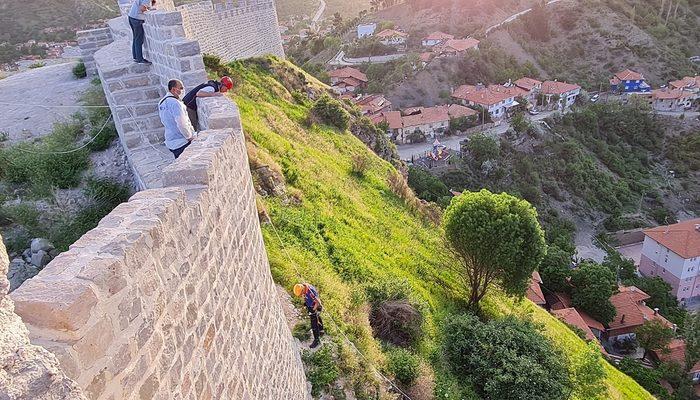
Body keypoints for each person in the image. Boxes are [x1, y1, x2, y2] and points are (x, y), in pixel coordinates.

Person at [158, 79, 195, 158]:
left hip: (171, 140)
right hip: (181, 142)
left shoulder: (161, 102)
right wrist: (189, 137)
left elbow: (163, 120)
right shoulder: (176, 103)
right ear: (174, 89)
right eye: (181, 88)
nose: (182, 90)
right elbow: (182, 123)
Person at [293, 283, 325, 348]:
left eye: (301, 293)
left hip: (315, 307)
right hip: (310, 305)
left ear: (302, 290)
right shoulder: (304, 287)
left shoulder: (311, 292)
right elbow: (305, 295)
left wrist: (313, 310)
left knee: (314, 324)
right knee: (317, 317)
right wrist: (306, 303)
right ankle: (321, 331)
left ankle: (317, 340)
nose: (301, 295)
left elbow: (318, 302)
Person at [128, 0, 155, 64]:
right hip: (137, 19)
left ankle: (135, 57)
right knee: (139, 39)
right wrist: (149, 11)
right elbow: (142, 8)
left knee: (135, 37)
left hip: (131, 17)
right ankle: (139, 59)